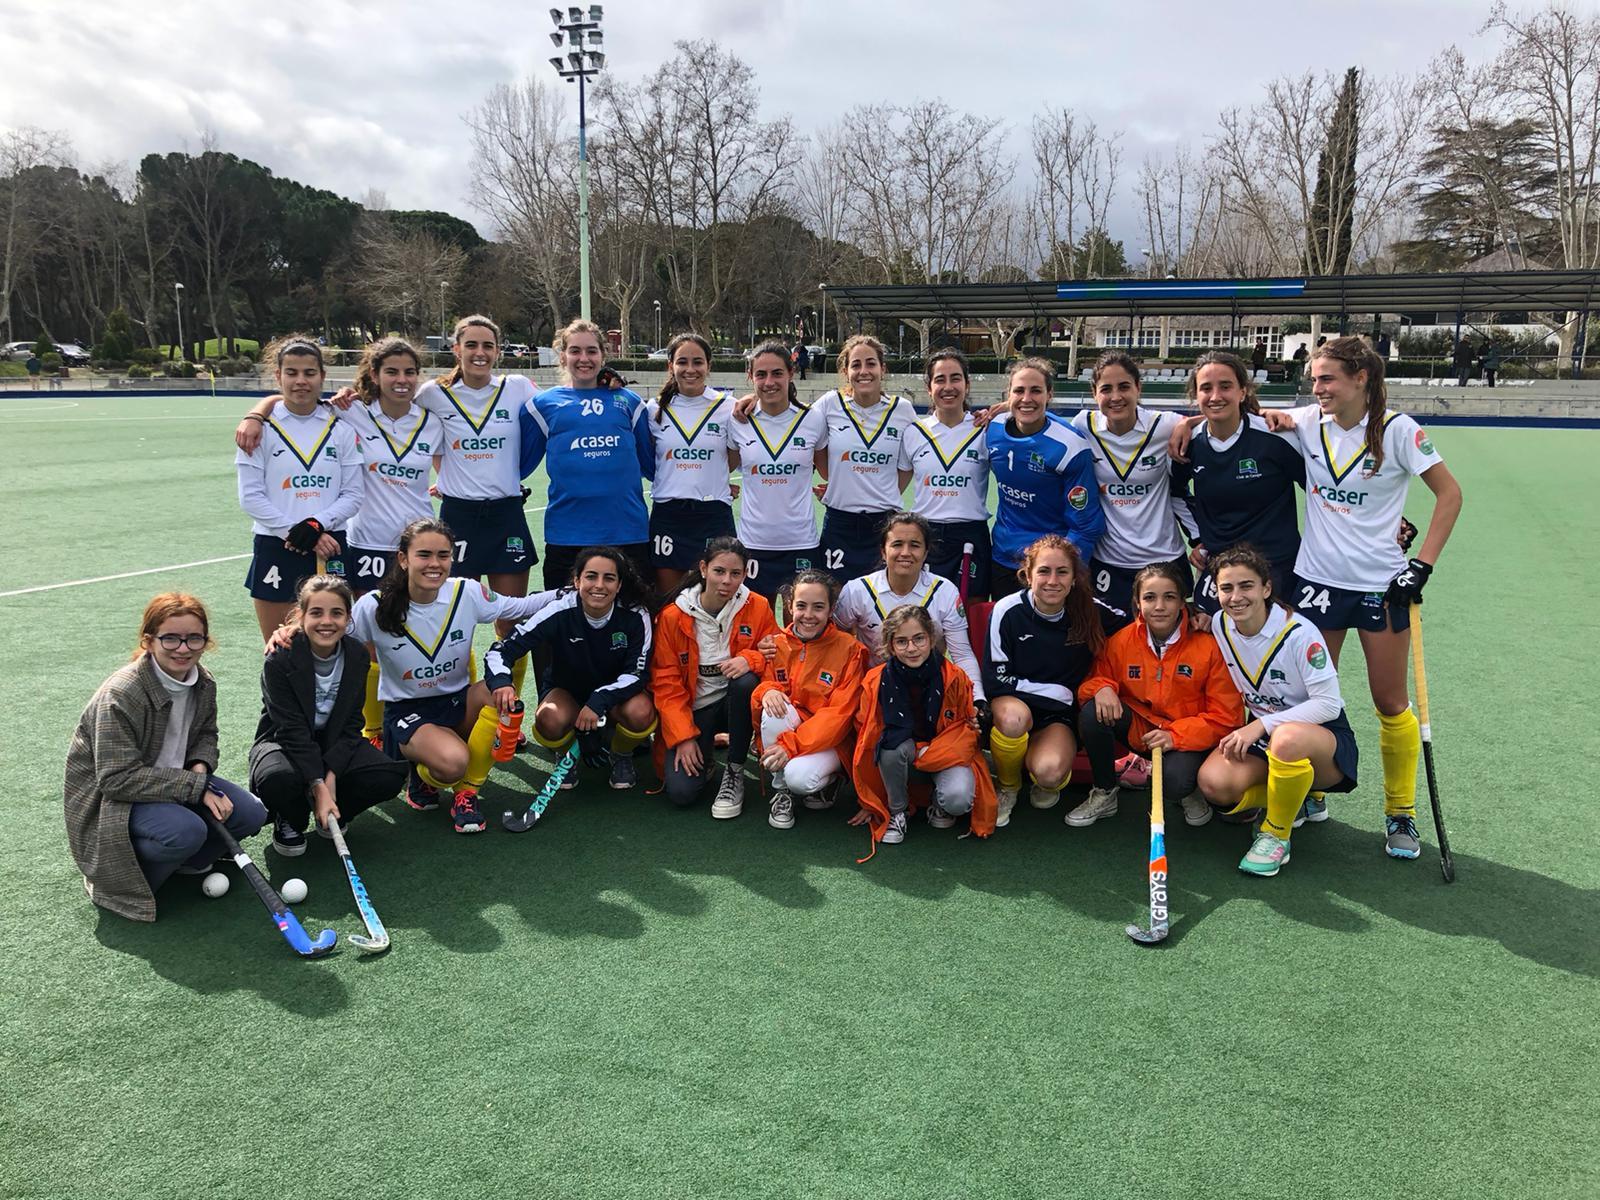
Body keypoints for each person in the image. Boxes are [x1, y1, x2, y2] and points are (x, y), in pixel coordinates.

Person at [1266, 335, 1462, 859]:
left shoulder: (1399, 431)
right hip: (1318, 581)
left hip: (1379, 584)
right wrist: (1191, 423)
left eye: (1327, 378)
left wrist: (1420, 566)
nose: (1317, 387)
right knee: (1308, 699)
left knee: (1389, 701)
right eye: (1314, 378)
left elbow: (1451, 494)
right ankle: (1314, 793)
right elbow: (1244, 410)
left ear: (1361, 379)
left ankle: (1401, 813)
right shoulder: (1309, 421)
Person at [65, 593, 268, 922]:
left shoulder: (203, 682)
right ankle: (118, 879)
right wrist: (197, 787)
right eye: (171, 638)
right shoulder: (122, 694)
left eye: (194, 638)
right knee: (186, 831)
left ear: (205, 640)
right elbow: (116, 780)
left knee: (251, 814)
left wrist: (200, 770)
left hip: (175, 781)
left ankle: (183, 864)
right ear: (148, 641)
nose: (183, 648)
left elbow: (205, 735)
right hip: (113, 799)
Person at [350, 517, 558, 834]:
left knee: (500, 694)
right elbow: (336, 634)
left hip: (457, 702)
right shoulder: (374, 606)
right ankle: (422, 774)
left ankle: (467, 794)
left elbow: (519, 606)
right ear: (403, 559)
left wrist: (575, 592)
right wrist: (293, 630)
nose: (435, 564)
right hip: (409, 711)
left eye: (443, 555)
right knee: (453, 763)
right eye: (424, 555)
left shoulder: (466, 592)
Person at [1198, 547, 1358, 877]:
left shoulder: (1301, 634)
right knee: (1214, 784)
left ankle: (1276, 834)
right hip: (1266, 735)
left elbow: (1329, 704)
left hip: (1321, 742)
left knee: (1286, 740)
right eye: (1226, 588)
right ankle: (1295, 796)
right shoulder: (1219, 624)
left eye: (1246, 586)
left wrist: (1260, 726)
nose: (1235, 597)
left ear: (1266, 589)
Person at [1074, 562, 1243, 829]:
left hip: (1188, 736)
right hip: (1142, 728)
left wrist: (1175, 736)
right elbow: (1092, 680)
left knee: (1174, 783)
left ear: (1182, 602)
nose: (1160, 606)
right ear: (1137, 603)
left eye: (1169, 597)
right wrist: (1101, 687)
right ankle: (1105, 791)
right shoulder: (1121, 641)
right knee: (1093, 711)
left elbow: (1227, 717)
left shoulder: (1209, 645)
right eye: (1150, 597)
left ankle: (1188, 790)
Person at [248, 575, 408, 856]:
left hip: (332, 740)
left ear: (348, 618)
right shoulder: (280, 658)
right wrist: (319, 784)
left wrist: (331, 775)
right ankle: (291, 817)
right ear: (301, 616)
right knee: (276, 778)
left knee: (388, 775)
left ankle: (336, 810)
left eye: (337, 613)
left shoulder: (357, 655)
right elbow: (291, 730)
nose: (327, 621)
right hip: (284, 741)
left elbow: (352, 725)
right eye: (316, 612)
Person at [484, 546, 658, 792]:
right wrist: (502, 681)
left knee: (641, 712)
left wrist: (599, 700)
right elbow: (502, 650)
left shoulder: (635, 614)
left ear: (619, 585)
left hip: (616, 695)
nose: (599, 585)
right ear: (577, 581)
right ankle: (567, 757)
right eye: (591, 576)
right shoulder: (559, 609)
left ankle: (621, 754)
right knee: (550, 719)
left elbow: (637, 673)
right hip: (567, 690)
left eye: (609, 578)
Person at [234, 336, 363, 643]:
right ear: (277, 376)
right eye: (291, 373)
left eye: (309, 373)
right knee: (279, 648)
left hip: (331, 544)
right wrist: (296, 532)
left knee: (333, 648)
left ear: (322, 376)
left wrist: (317, 526)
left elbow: (354, 495)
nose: (301, 381)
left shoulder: (341, 428)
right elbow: (250, 497)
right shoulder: (257, 430)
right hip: (276, 545)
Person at [520, 318, 655, 590]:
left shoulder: (629, 402)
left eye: (592, 351)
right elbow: (518, 464)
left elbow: (653, 466)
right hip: (567, 534)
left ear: (604, 355)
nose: (584, 358)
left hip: (627, 531)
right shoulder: (542, 405)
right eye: (575, 351)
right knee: (564, 620)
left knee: (633, 618)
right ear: (562, 357)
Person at [650, 538, 778, 816]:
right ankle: (704, 749)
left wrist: (750, 658)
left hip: (737, 705)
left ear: (745, 574)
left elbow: (777, 654)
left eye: (736, 574)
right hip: (694, 710)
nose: (727, 581)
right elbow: (665, 683)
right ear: (704, 569)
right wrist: (683, 737)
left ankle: (734, 770)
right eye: (719, 571)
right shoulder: (672, 616)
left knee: (745, 682)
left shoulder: (758, 606)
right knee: (681, 792)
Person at [984, 535, 1106, 827]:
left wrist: (1189, 616)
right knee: (1014, 720)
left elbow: (1140, 620)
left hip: (1057, 716)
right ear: (1027, 575)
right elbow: (997, 679)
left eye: (1062, 572)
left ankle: (1035, 770)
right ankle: (1009, 785)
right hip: (1014, 703)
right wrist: (1058, 691)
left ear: (1075, 577)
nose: (1053, 580)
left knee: (1049, 775)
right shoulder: (1007, 610)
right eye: (1043, 571)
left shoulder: (1089, 610)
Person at [850, 605, 996, 848]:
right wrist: (872, 801)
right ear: (891, 645)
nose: (912, 648)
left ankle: (938, 803)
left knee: (957, 800)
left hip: (943, 751)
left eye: (919, 639)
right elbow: (867, 738)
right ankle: (898, 811)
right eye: (902, 641)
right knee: (889, 747)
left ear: (931, 638)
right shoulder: (875, 680)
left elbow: (966, 732)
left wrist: (933, 753)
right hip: (903, 754)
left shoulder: (955, 676)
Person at [1070, 351, 1195, 628]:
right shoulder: (1083, 425)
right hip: (1109, 561)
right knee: (1111, 644)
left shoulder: (1165, 425)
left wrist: (1188, 422)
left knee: (1170, 643)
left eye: (1124, 387)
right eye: (1106, 389)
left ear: (1138, 388)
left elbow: (1216, 415)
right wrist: (1009, 403)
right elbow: (1039, 420)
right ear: (1094, 393)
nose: (1116, 397)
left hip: (1164, 558)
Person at [1179, 351, 1305, 615]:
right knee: (1209, 645)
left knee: (1273, 649)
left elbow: (1320, 491)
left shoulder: (1276, 437)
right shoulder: (1188, 443)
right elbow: (1175, 492)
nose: (1215, 396)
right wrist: (1198, 538)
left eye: (1225, 386)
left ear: (1243, 391)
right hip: (1220, 567)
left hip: (1276, 566)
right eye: (1206, 388)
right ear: (1195, 395)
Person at [752, 569, 869, 827]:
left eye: (818, 607)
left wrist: (790, 745)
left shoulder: (850, 649)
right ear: (790, 606)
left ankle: (832, 778)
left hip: (832, 741)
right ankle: (781, 792)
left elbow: (839, 716)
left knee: (799, 779)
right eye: (801, 606)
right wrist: (768, 689)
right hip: (793, 729)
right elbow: (765, 681)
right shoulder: (777, 643)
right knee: (773, 707)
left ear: (831, 609)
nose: (808, 615)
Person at [985, 357, 1105, 600]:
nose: (1026, 399)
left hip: (1049, 572)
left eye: (1036, 391)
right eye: (1019, 390)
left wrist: (1062, 572)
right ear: (1008, 395)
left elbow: (1085, 525)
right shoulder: (992, 428)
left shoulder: (1069, 446)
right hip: (1003, 559)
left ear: (1049, 394)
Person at [832, 511, 983, 701]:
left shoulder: (945, 591)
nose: (905, 553)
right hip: (872, 687)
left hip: (929, 686)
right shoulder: (857, 590)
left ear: (926, 552)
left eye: (915, 545)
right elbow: (836, 642)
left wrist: (977, 698)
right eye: (897, 544)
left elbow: (962, 654)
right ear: (883, 551)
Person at [805, 334, 918, 579]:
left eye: (871, 363)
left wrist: (883, 491)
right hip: (840, 523)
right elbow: (796, 423)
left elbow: (908, 465)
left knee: (883, 604)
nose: (863, 371)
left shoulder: (902, 409)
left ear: (882, 368)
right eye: (856, 365)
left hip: (885, 525)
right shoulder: (830, 404)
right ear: (846, 371)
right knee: (835, 600)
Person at [727, 341, 827, 603]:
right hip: (753, 542)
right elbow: (720, 468)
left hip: (801, 541)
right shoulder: (737, 420)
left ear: (791, 373)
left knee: (801, 628)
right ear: (750, 377)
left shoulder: (813, 418)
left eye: (777, 373)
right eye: (760, 374)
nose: (769, 382)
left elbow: (829, 470)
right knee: (759, 631)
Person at [647, 332, 737, 595]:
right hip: (669, 514)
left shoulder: (727, 407)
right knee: (668, 602)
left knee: (716, 598)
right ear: (670, 366)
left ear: (708, 365)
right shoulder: (654, 409)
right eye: (682, 361)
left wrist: (711, 478)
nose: (690, 369)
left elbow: (732, 458)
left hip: (713, 514)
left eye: (697, 362)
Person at [899, 348, 992, 599]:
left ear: (967, 384)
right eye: (940, 379)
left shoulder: (986, 430)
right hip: (926, 534)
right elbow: (893, 487)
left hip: (971, 534)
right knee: (923, 615)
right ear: (929, 387)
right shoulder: (914, 432)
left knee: (971, 612)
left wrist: (1000, 409)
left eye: (955, 378)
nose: (948, 386)